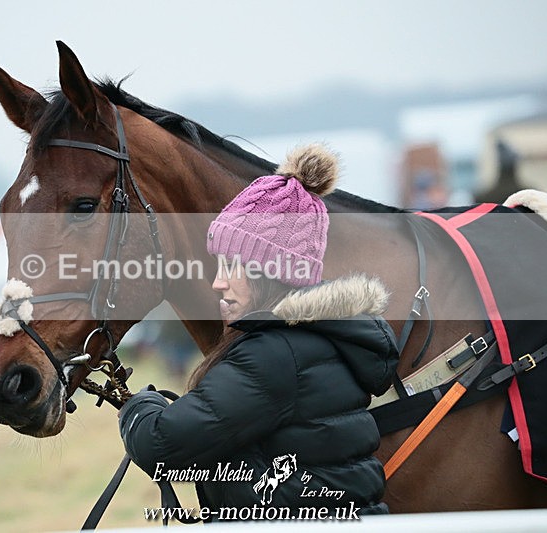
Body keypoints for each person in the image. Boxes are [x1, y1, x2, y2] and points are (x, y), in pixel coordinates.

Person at [118, 145, 399, 520]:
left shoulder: (272, 355)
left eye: (232, 265)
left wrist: (137, 406)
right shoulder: (313, 341)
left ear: (270, 272)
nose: (217, 283)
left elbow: (160, 445)